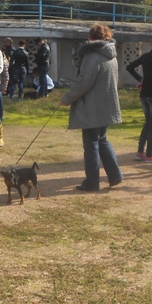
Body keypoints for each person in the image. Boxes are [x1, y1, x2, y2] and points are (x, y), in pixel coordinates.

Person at [60, 23, 124, 191]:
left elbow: (83, 83)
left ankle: (92, 182)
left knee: (91, 144)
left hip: (92, 107)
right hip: (107, 105)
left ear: (91, 37)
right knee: (101, 140)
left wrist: (67, 98)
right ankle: (115, 175)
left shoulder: (92, 55)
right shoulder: (112, 55)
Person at [126, 34, 152, 162]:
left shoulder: (145, 56)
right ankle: (149, 154)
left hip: (144, 93)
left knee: (148, 122)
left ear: (151, 44)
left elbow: (129, 67)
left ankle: (140, 152)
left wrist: (140, 79)